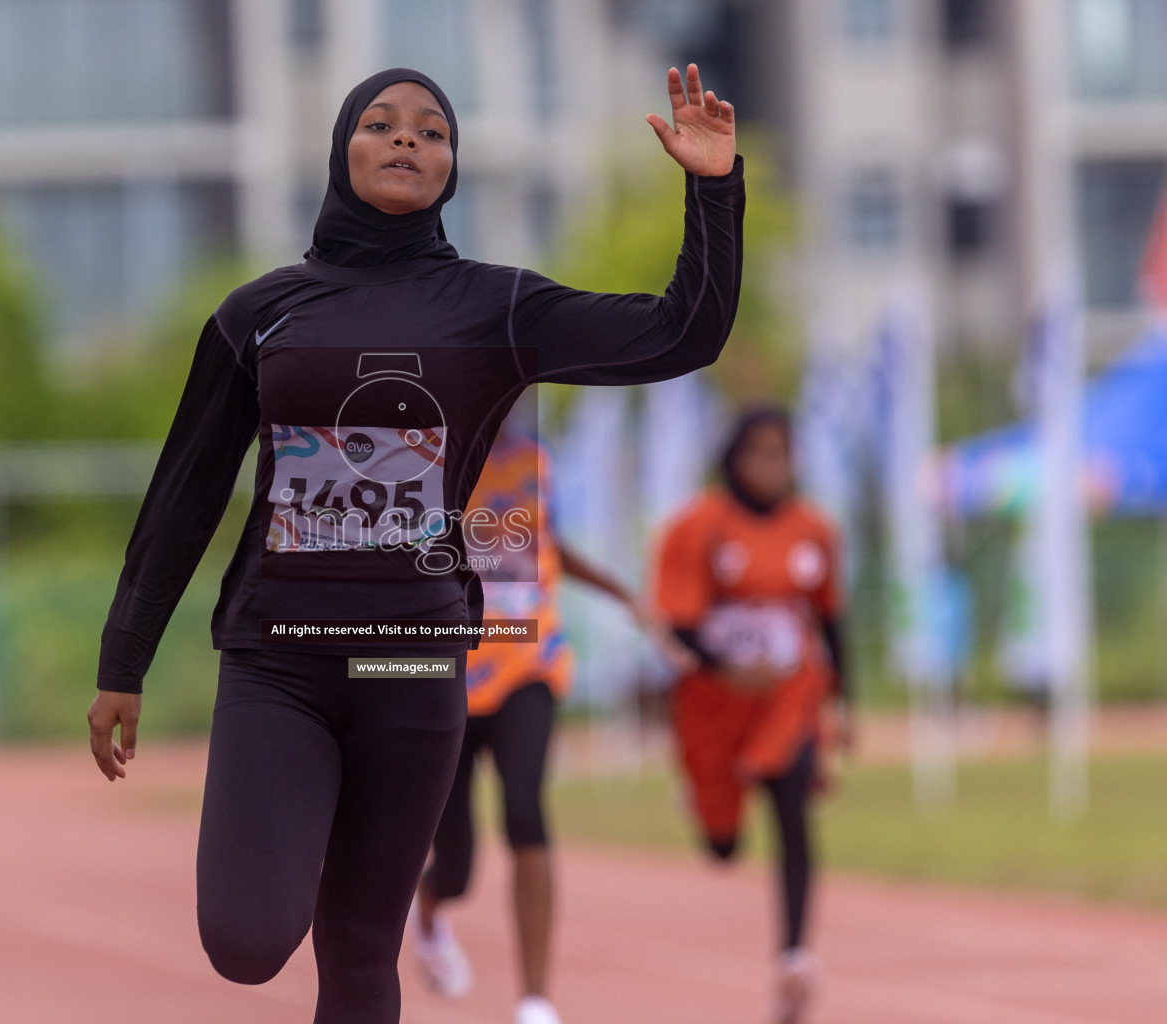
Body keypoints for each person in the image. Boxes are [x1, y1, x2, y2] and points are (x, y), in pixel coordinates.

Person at [88, 64, 744, 1024]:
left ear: (451, 168)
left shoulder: (497, 308)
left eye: (432, 131)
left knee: (360, 951)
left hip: (412, 663)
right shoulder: (259, 313)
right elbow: (183, 496)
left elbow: (683, 334)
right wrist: (125, 659)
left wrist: (712, 187)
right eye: (384, 125)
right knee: (244, 940)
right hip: (279, 664)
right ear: (342, 148)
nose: (408, 141)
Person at [407, 396, 695, 1024]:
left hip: (528, 663)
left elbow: (549, 545)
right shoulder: (421, 466)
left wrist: (627, 597)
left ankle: (535, 1000)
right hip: (447, 673)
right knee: (456, 866)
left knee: (524, 808)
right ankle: (429, 908)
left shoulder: (535, 461)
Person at [646, 407, 852, 1024]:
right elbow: (678, 625)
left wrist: (846, 702)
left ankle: (793, 956)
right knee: (723, 847)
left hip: (789, 696)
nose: (771, 466)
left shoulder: (813, 529)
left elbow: (833, 619)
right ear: (733, 459)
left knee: (794, 804)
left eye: (781, 454)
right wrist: (727, 668)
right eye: (759, 453)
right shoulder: (697, 527)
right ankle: (707, 804)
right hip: (713, 704)